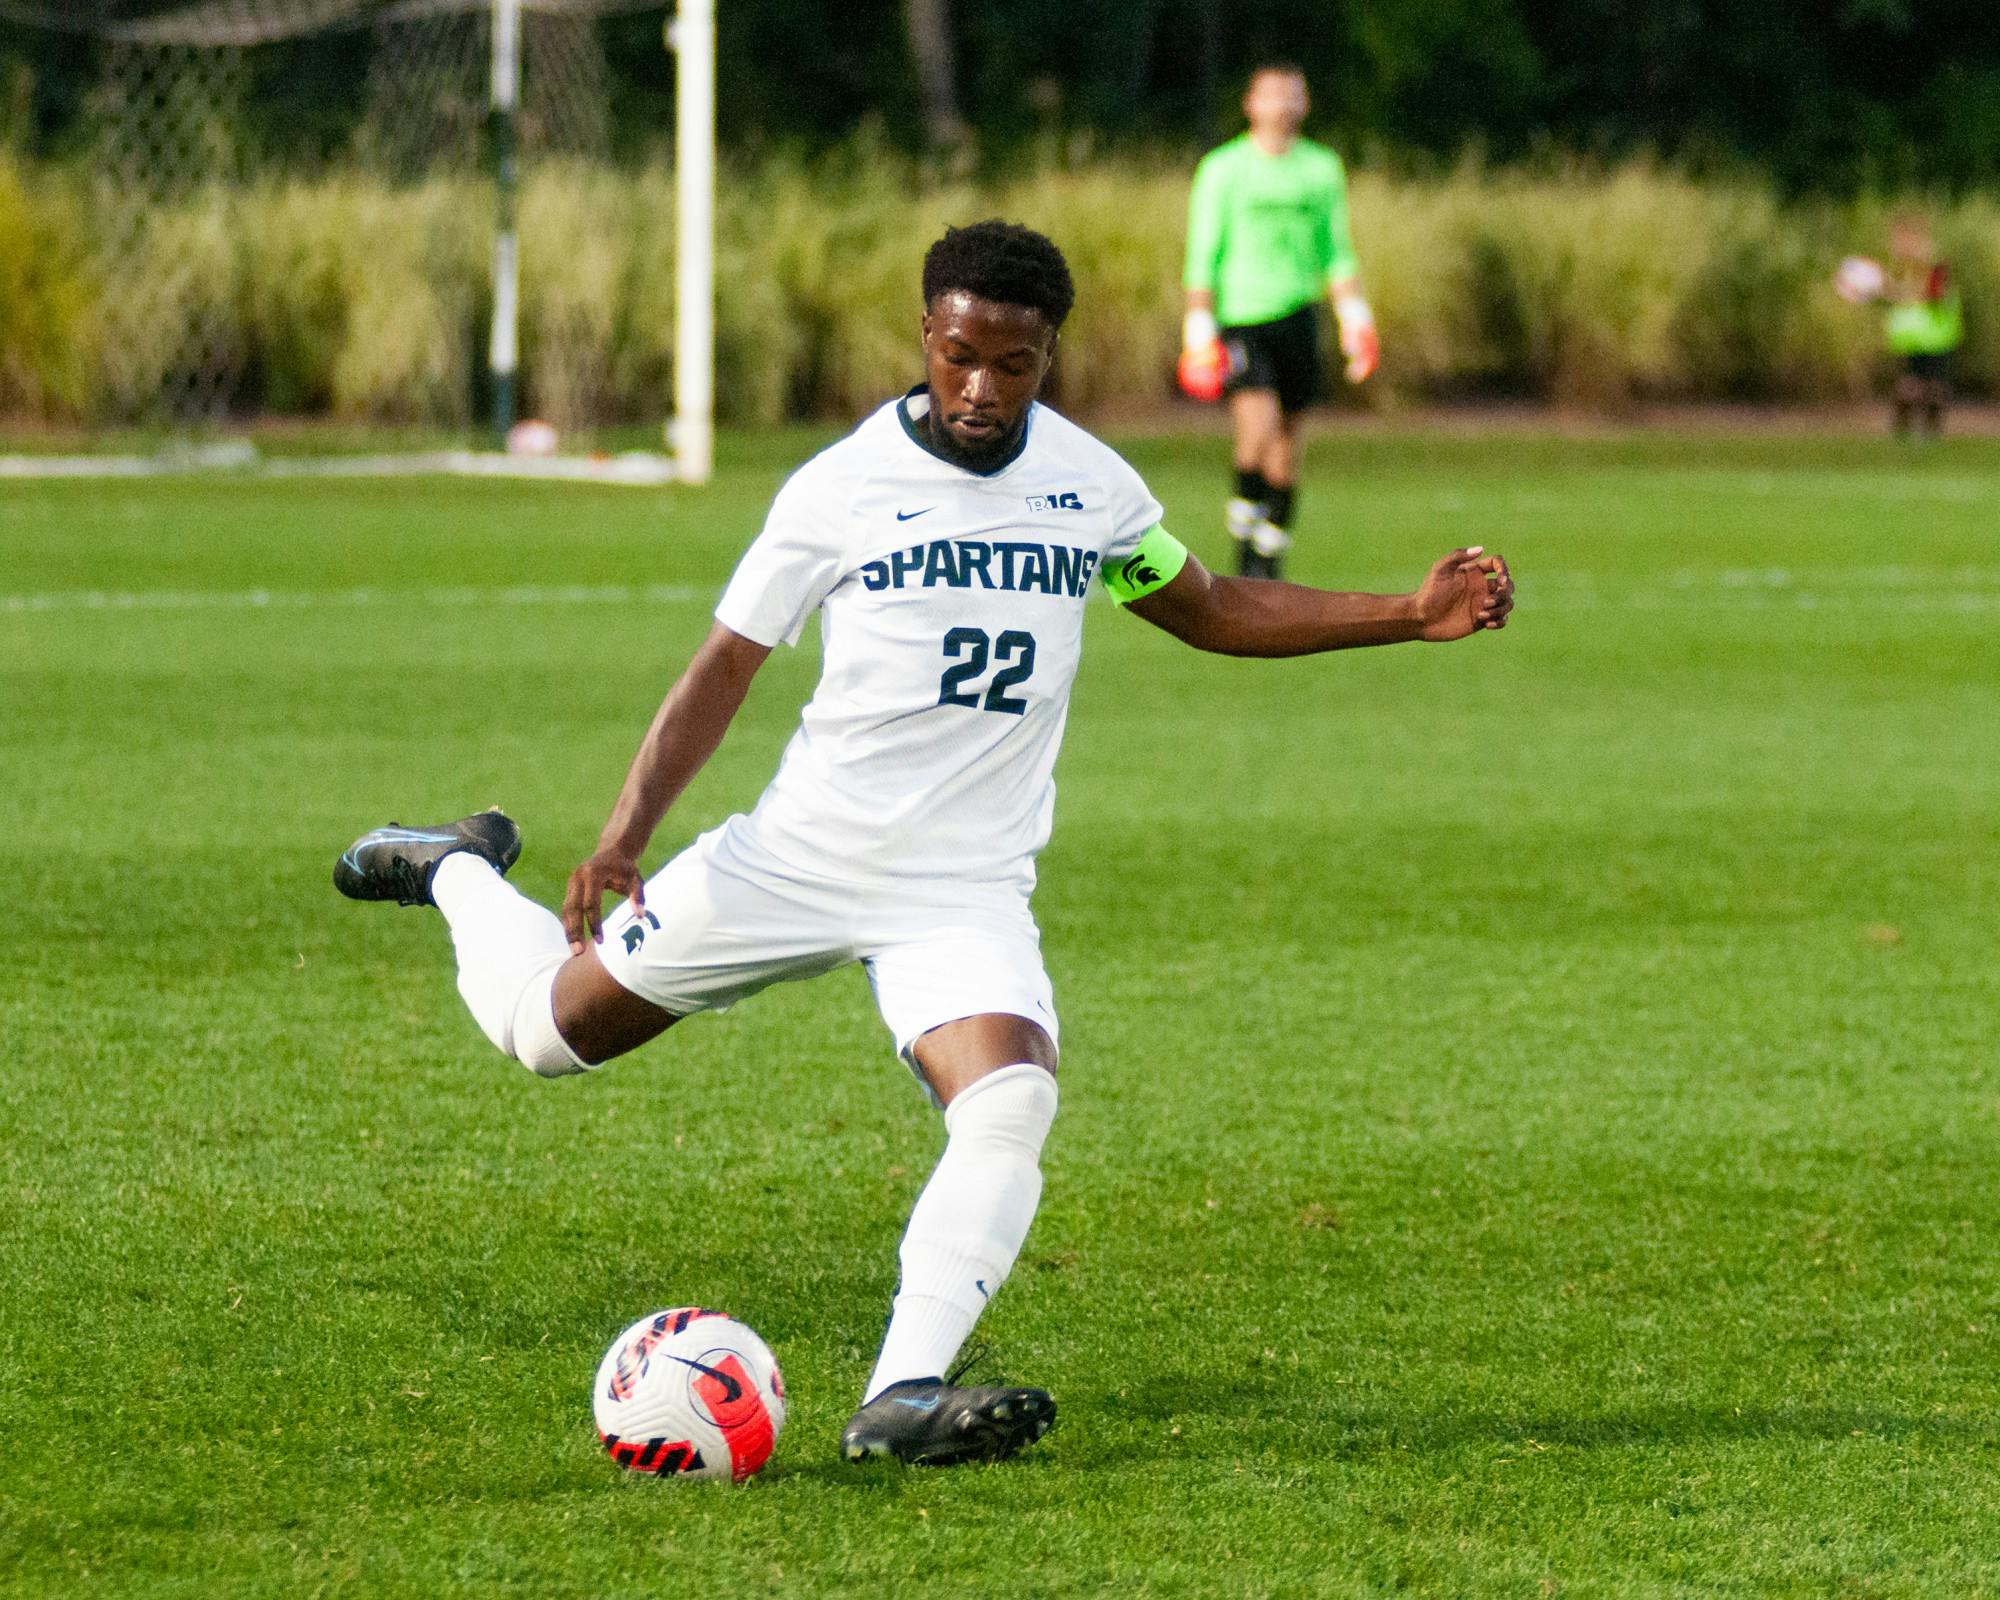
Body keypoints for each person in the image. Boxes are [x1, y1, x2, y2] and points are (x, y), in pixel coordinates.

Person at [334, 220, 1512, 1470]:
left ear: (1047, 355)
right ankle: (455, 863)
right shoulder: (839, 489)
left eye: (1014, 364)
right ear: (924, 337)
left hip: (962, 889)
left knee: (1009, 1100)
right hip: (796, 859)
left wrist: (1404, 612)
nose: (981, 390)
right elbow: (724, 667)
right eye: (960, 357)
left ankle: (902, 1392)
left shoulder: (1086, 487)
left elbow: (1208, 607)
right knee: (542, 1034)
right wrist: (624, 833)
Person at [1181, 62, 1377, 581]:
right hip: (1243, 316)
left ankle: (1268, 554)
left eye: (1293, 95)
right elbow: (1204, 249)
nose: (1283, 105)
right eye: (1272, 95)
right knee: (1257, 427)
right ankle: (1244, 526)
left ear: (1304, 104)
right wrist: (1197, 325)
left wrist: (1355, 317)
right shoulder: (1224, 168)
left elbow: (1335, 251)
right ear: (1251, 103)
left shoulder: (1321, 168)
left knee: (1288, 445)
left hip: (1299, 313)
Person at [1880, 212, 1964, 439]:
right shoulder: (1902, 268)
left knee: (1926, 385)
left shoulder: (1932, 267)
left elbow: (1936, 295)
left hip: (1933, 333)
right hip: (1916, 334)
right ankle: (1916, 430)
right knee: (1916, 383)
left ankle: (1925, 430)